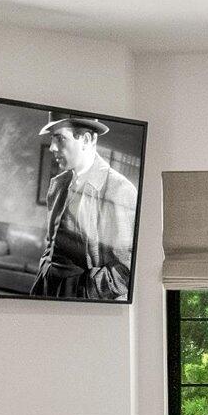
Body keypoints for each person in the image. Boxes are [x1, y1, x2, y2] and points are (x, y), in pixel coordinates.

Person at [35, 116, 134, 300]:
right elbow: (51, 243)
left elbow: (126, 269)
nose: (52, 147)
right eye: (52, 139)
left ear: (86, 140)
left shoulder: (119, 189)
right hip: (45, 288)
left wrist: (84, 291)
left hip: (79, 297)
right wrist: (44, 272)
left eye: (60, 138)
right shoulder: (58, 184)